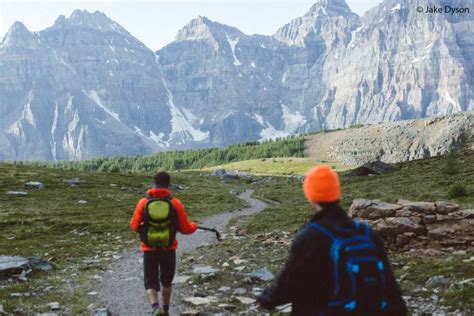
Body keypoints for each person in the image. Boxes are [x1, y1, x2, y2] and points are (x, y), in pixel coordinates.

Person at [257, 165, 407, 315]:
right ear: (336, 193)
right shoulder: (367, 233)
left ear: (310, 194)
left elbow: (289, 283)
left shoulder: (310, 236)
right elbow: (390, 287)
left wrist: (266, 298)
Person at [130, 171, 197, 316]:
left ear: (154, 182)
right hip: (168, 249)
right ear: (168, 184)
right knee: (166, 282)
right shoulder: (175, 203)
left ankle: (155, 308)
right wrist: (194, 226)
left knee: (150, 282)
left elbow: (134, 226)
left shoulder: (143, 202)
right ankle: (166, 311)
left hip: (149, 249)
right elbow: (186, 229)